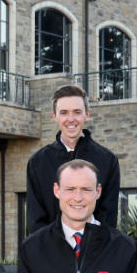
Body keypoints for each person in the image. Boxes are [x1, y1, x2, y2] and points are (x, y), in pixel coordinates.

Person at [25, 84, 121, 231]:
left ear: (86, 114)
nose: (71, 119)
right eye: (64, 112)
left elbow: (108, 219)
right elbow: (35, 220)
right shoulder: (37, 163)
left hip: (95, 250)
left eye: (77, 112)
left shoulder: (108, 161)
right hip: (50, 251)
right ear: (54, 116)